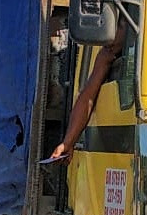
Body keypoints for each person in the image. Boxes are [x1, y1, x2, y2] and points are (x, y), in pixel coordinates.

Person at [49, 23, 127, 161]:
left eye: (119, 26)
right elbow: (87, 97)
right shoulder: (108, 54)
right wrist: (68, 142)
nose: (110, 36)